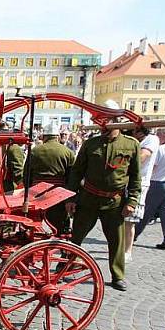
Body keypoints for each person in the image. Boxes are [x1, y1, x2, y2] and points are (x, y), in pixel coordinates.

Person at [66, 100, 141, 291]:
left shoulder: (131, 145)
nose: (102, 125)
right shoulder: (91, 144)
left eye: (106, 119)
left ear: (116, 120)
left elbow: (135, 177)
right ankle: (66, 266)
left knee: (116, 241)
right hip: (88, 199)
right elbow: (77, 172)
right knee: (76, 236)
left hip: (115, 202)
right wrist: (70, 198)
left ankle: (117, 276)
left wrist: (132, 201)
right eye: (100, 120)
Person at [135, 128, 165, 250]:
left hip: (159, 183)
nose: (156, 136)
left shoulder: (162, 149)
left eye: (159, 134)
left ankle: (133, 234)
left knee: (146, 211)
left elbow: (153, 166)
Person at [29, 121, 75, 234]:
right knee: (60, 223)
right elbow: (72, 176)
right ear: (57, 136)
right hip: (58, 193)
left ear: (44, 137)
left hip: (36, 192)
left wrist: (28, 190)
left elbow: (27, 174)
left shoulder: (35, 151)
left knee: (34, 221)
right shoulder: (67, 152)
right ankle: (62, 244)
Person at [124, 126, 159, 262]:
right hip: (124, 182)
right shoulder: (134, 140)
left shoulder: (151, 140)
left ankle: (128, 251)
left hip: (139, 183)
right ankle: (120, 248)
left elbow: (141, 158)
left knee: (130, 219)